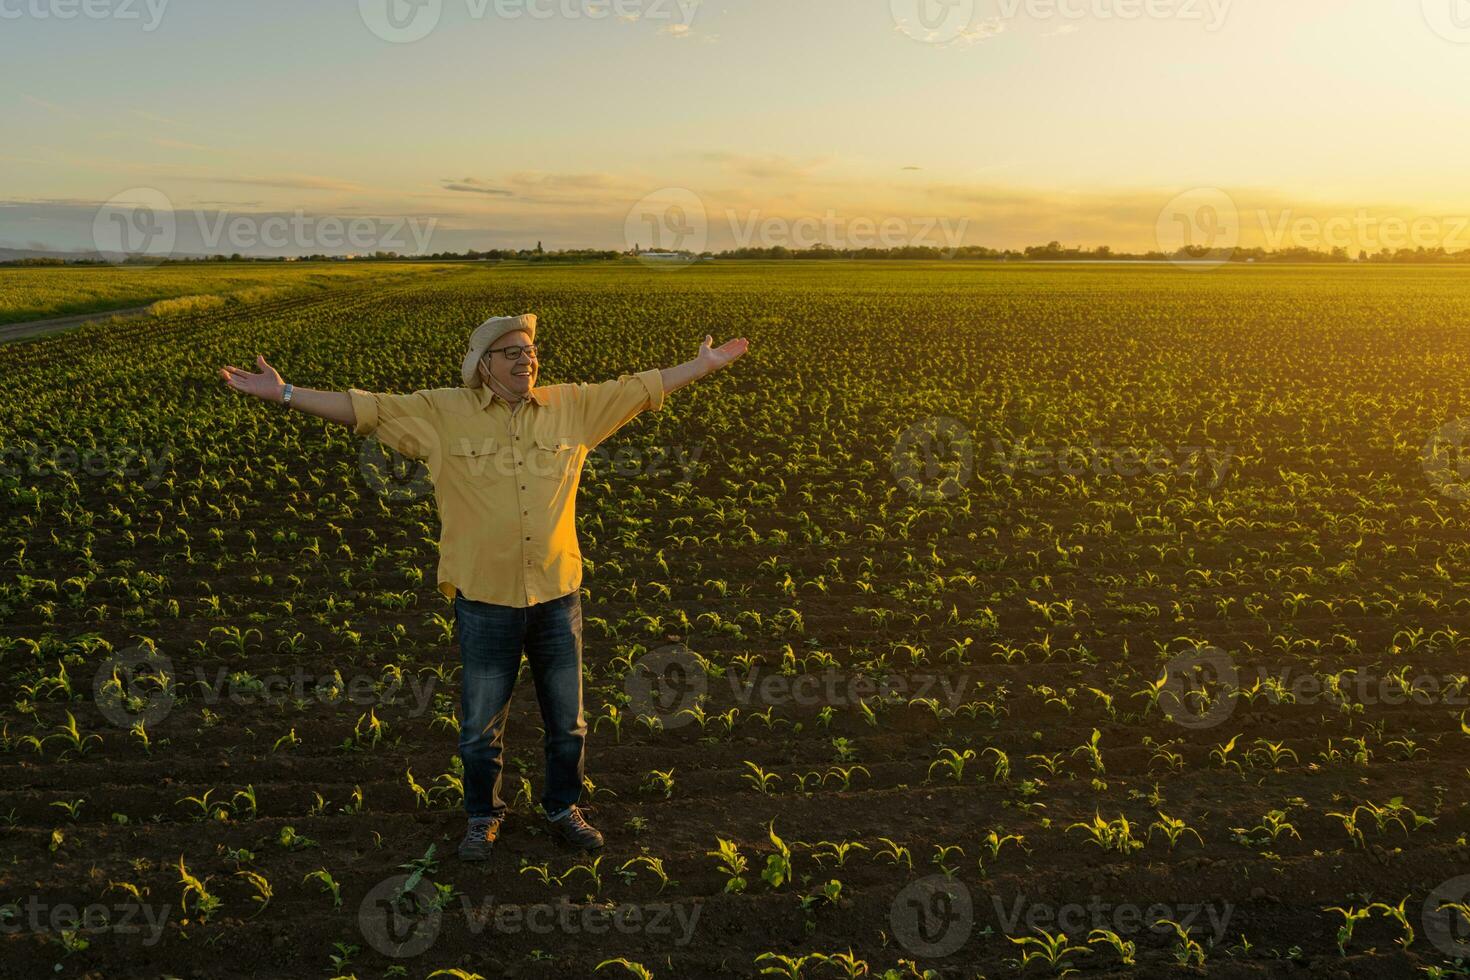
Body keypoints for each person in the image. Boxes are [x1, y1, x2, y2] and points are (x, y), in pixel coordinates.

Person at [220, 313, 749, 860]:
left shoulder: (573, 406)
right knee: (479, 728)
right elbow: (365, 408)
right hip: (485, 600)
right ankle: (482, 816)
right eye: (512, 352)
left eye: (530, 350)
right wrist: (284, 393)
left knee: (568, 724)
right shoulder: (439, 413)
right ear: (483, 365)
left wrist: (702, 365)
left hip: (555, 596)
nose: (526, 359)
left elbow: (640, 387)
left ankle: (563, 807)